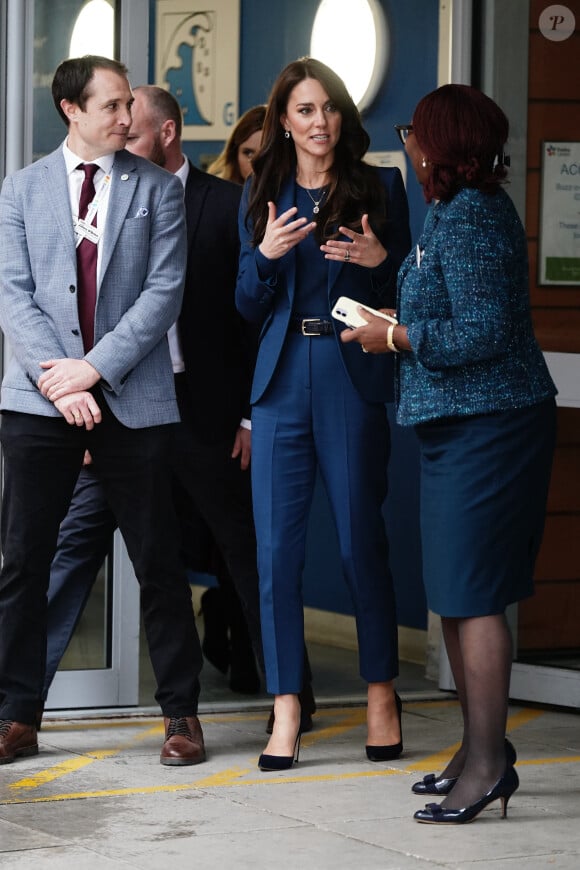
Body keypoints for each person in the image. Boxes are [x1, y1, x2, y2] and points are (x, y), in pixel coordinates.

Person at [39, 84, 315, 730]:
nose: (118, 144)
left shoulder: (228, 203)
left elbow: (258, 316)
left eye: (131, 134)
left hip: (205, 410)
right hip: (117, 408)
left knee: (245, 553)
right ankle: (15, 700)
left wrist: (251, 415)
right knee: (71, 545)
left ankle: (290, 697)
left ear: (164, 135)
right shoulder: (100, 200)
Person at [342, 83, 557, 823]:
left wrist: (395, 337)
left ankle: (490, 764)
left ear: (438, 143)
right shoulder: (452, 215)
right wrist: (394, 315)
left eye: (414, 130)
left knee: (473, 595)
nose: (407, 140)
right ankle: (477, 746)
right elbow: (454, 313)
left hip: (490, 430)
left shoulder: (472, 218)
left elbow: (484, 335)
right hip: (459, 428)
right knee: (456, 598)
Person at [0, 56, 205, 767]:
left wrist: (95, 368)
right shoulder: (21, 189)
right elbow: (14, 295)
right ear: (72, 110)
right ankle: (16, 714)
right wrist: (64, 383)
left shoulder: (157, 191)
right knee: (26, 560)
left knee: (159, 561)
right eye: (113, 105)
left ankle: (182, 715)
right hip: (39, 401)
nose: (128, 118)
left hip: (134, 401)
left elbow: (163, 294)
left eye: (128, 105)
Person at [235, 57, 411, 771]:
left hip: (349, 372)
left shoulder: (381, 186)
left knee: (358, 542)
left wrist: (378, 260)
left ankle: (381, 694)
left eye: (329, 108)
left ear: (343, 117)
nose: (320, 121)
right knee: (276, 554)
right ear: (285, 119)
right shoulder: (263, 190)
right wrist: (268, 257)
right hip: (279, 380)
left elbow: (407, 287)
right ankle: (286, 708)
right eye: (305, 110)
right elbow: (245, 304)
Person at [207, 105, 266, 184]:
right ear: (235, 155)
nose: (256, 165)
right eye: (249, 153)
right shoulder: (216, 192)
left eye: (267, 154)